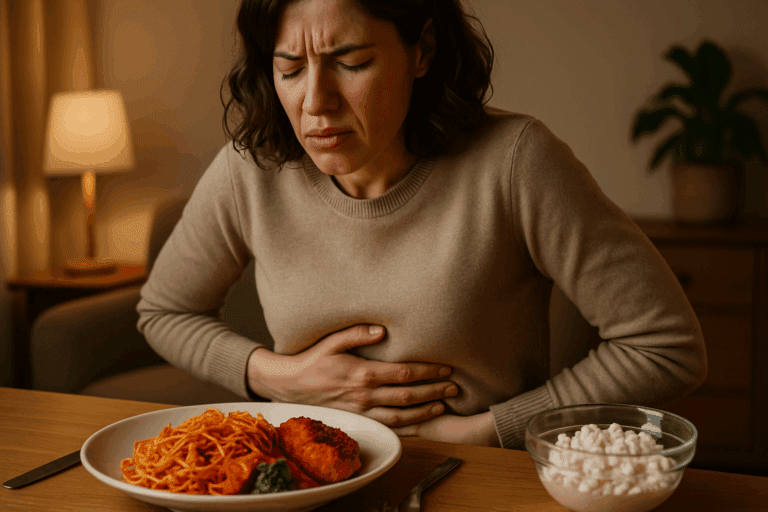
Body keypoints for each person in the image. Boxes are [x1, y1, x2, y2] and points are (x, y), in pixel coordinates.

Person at [137, 0, 707, 449]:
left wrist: (490, 431)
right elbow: (163, 312)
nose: (316, 102)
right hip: (306, 479)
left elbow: (667, 346)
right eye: (290, 68)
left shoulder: (516, 162)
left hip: (476, 472)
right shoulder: (249, 169)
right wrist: (275, 377)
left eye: (351, 63)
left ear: (422, 50)